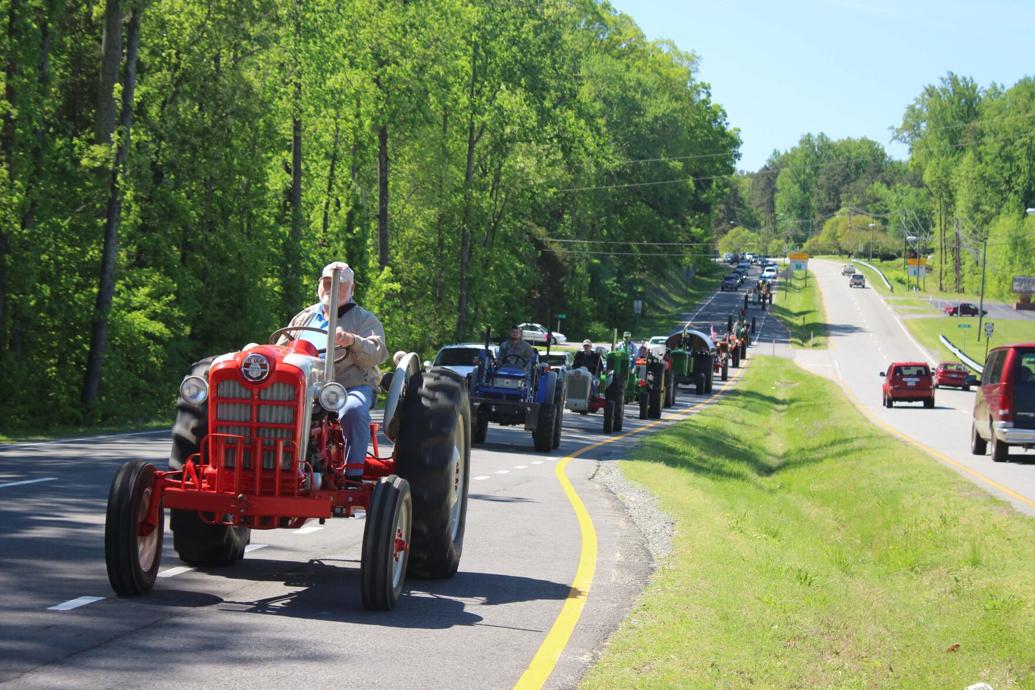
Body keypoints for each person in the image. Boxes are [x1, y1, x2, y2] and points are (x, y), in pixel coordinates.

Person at [279, 261, 387, 477]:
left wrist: (352, 341)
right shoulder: (304, 317)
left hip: (349, 385)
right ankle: (277, 466)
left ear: (352, 289)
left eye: (340, 284)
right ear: (319, 285)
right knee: (274, 407)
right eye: (327, 283)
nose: (332, 288)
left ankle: (353, 474)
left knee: (353, 410)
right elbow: (280, 348)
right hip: (305, 388)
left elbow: (377, 352)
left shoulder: (364, 319)